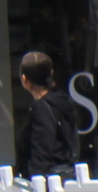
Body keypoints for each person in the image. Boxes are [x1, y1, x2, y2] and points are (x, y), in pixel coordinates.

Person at [15, 51, 79, 179]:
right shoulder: (63, 100)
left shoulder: (41, 108)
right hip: (66, 175)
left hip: (49, 180)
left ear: (24, 79)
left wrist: (33, 181)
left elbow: (41, 151)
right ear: (51, 73)